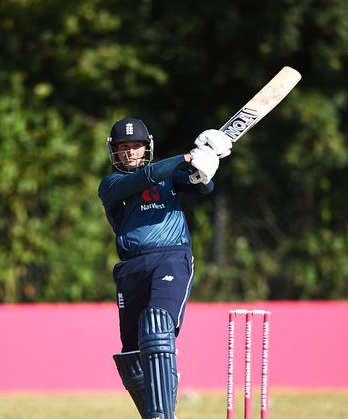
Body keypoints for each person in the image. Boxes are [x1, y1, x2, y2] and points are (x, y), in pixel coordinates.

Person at [98, 117, 232, 419]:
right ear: (114, 151)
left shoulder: (169, 177)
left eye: (136, 146)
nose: (130, 152)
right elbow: (142, 179)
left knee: (157, 326)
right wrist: (186, 156)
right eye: (124, 147)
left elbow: (203, 187)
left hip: (171, 258)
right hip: (131, 268)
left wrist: (204, 166)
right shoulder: (111, 185)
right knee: (133, 357)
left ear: (148, 147)